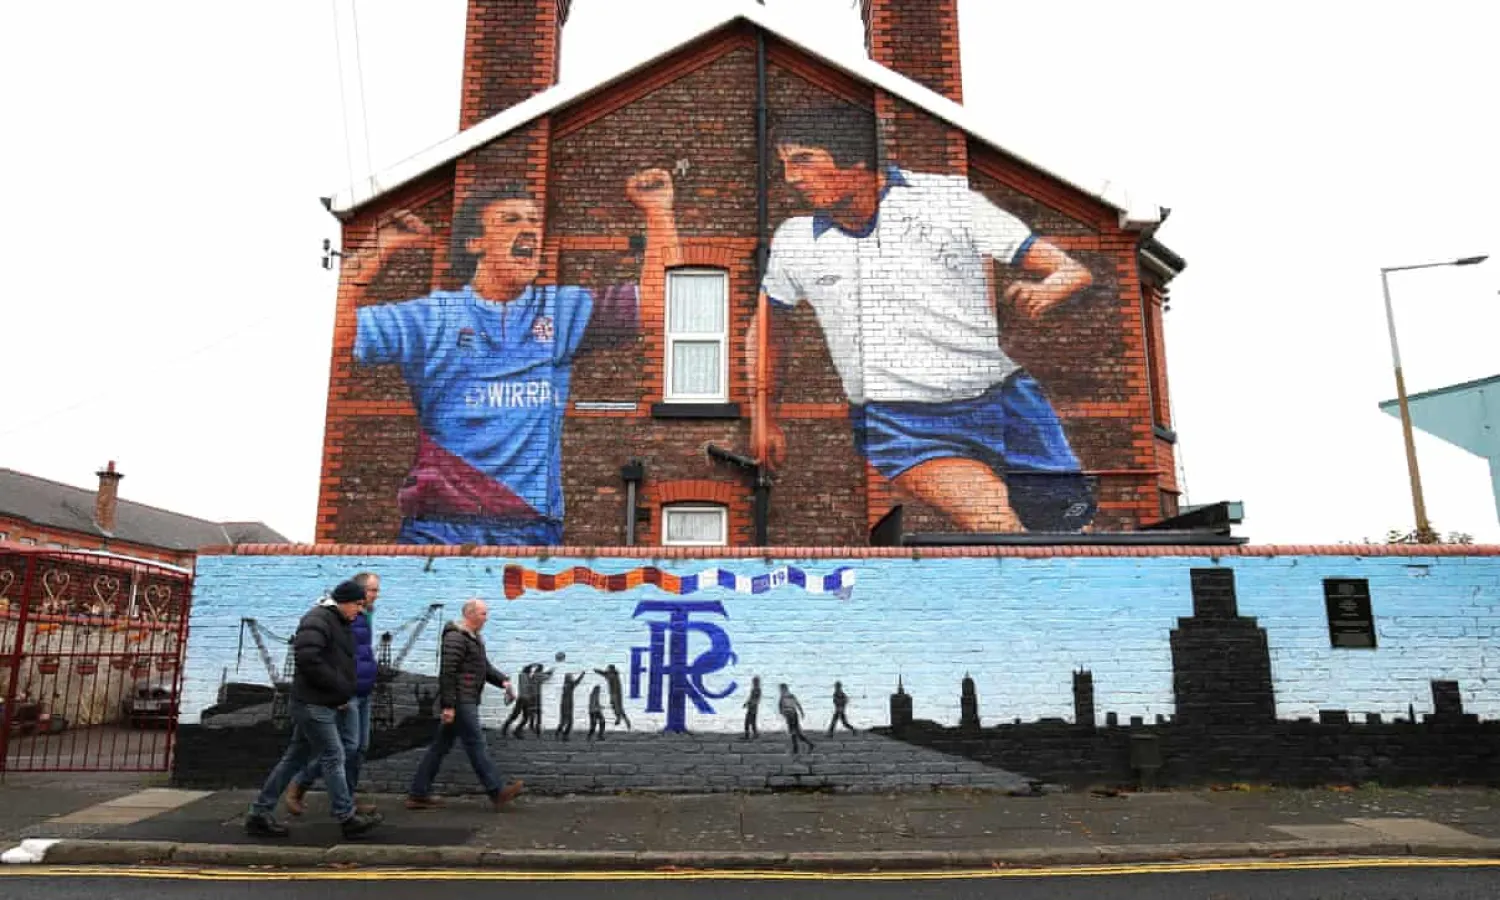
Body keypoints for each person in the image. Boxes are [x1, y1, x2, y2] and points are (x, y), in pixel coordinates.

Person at [753, 105, 1098, 534]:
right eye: (785, 165)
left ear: (857, 160)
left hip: (1007, 404)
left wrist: (1049, 287)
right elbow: (769, 329)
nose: (791, 178)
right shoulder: (794, 241)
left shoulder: (950, 201)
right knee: (1000, 527)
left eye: (803, 160)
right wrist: (763, 415)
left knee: (1071, 541)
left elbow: (1068, 269)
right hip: (901, 424)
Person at [347, 170, 680, 546]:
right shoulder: (433, 316)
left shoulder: (560, 309)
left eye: (535, 221)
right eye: (511, 220)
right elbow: (342, 334)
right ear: (475, 242)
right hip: (436, 528)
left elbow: (657, 306)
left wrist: (658, 213)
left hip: (530, 529)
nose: (530, 230)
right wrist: (376, 253)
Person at [243, 580, 382, 839]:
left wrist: (341, 690)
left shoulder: (340, 621)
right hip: (312, 703)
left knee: (295, 758)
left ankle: (259, 814)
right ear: (344, 602)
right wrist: (339, 689)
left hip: (322, 701)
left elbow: (340, 660)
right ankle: (347, 817)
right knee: (334, 755)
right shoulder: (317, 620)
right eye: (358, 605)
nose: (360, 610)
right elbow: (308, 659)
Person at [406, 598, 524, 810]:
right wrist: (448, 706)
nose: (486, 618)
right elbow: (447, 673)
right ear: (470, 614)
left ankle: (417, 793)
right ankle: (496, 791)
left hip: (465, 698)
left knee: (440, 747)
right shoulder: (455, 638)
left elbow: (484, 668)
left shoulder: (473, 639)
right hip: (461, 700)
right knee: (476, 743)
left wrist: (503, 681)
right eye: (483, 614)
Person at [284, 572, 380, 816]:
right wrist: (340, 689)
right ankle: (302, 784)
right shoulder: (346, 618)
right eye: (372, 590)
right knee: (345, 748)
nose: (376, 595)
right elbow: (331, 658)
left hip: (364, 689)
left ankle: (347, 798)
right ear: (356, 594)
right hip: (347, 693)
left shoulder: (364, 615)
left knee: (359, 748)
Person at [778, 682, 815, 755]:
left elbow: (781, 708)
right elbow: (797, 704)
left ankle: (802, 747)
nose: (780, 691)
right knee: (795, 732)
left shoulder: (783, 697)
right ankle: (803, 746)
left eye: (781, 689)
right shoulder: (791, 696)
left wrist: (783, 713)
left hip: (791, 715)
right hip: (793, 714)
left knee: (793, 732)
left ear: (783, 689)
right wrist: (801, 712)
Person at [742, 675, 762, 740]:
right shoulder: (754, 689)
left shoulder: (757, 689)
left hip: (753, 708)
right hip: (751, 707)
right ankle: (754, 734)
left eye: (754, 681)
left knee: (748, 722)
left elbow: (757, 699)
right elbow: (750, 698)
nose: (753, 683)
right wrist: (746, 703)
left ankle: (749, 735)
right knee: (751, 722)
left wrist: (751, 704)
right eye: (753, 681)